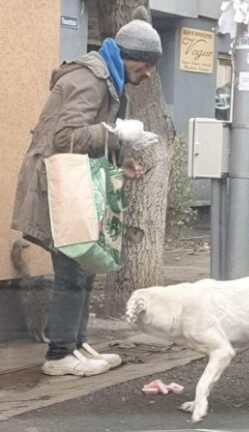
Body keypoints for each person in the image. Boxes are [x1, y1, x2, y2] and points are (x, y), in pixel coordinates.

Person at [11, 6, 162, 377]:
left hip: (73, 185)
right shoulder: (91, 79)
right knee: (72, 268)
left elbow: (87, 136)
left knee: (84, 266)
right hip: (57, 186)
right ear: (130, 57)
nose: (147, 72)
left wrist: (122, 158)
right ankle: (60, 354)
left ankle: (76, 345)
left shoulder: (110, 79)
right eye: (145, 64)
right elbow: (65, 137)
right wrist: (114, 134)